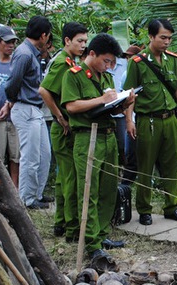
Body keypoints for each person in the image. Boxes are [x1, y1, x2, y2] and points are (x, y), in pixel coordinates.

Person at [61, 33, 134, 261]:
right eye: (106, 60)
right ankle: (91, 241)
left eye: (112, 62)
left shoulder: (105, 77)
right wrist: (102, 100)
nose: (110, 65)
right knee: (89, 190)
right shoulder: (73, 75)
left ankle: (102, 235)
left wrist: (124, 103)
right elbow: (72, 106)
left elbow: (109, 107)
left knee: (107, 189)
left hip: (109, 135)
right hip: (87, 137)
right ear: (91, 54)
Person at [124, 19, 177, 226]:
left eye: (169, 38)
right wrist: (130, 120)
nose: (167, 42)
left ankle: (172, 206)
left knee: (171, 165)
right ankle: (145, 210)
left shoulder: (172, 60)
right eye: (163, 37)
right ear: (151, 37)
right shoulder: (137, 62)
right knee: (145, 165)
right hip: (149, 121)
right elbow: (131, 94)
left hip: (170, 119)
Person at [39, 22, 88, 240]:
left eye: (86, 41)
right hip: (63, 128)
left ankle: (60, 223)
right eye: (80, 41)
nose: (83, 45)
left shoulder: (70, 61)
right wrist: (59, 117)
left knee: (63, 179)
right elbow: (43, 90)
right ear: (67, 40)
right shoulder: (61, 62)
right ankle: (71, 228)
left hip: (65, 127)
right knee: (70, 179)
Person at [4, 16, 53, 209]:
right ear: (43, 35)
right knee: (30, 156)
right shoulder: (24, 53)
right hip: (25, 107)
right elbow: (12, 83)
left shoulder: (32, 53)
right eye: (48, 36)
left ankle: (37, 193)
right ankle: (26, 198)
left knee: (44, 154)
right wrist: (12, 100)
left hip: (35, 108)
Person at [0, 25, 19, 188]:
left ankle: (15, 192)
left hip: (14, 117)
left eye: (13, 42)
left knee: (16, 157)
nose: (11, 46)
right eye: (8, 42)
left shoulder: (16, 62)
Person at [119, 45, 142, 185]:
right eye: (127, 57)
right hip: (131, 119)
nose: (129, 60)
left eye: (131, 57)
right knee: (131, 155)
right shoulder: (125, 74)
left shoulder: (142, 71)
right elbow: (125, 96)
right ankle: (125, 186)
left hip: (142, 118)